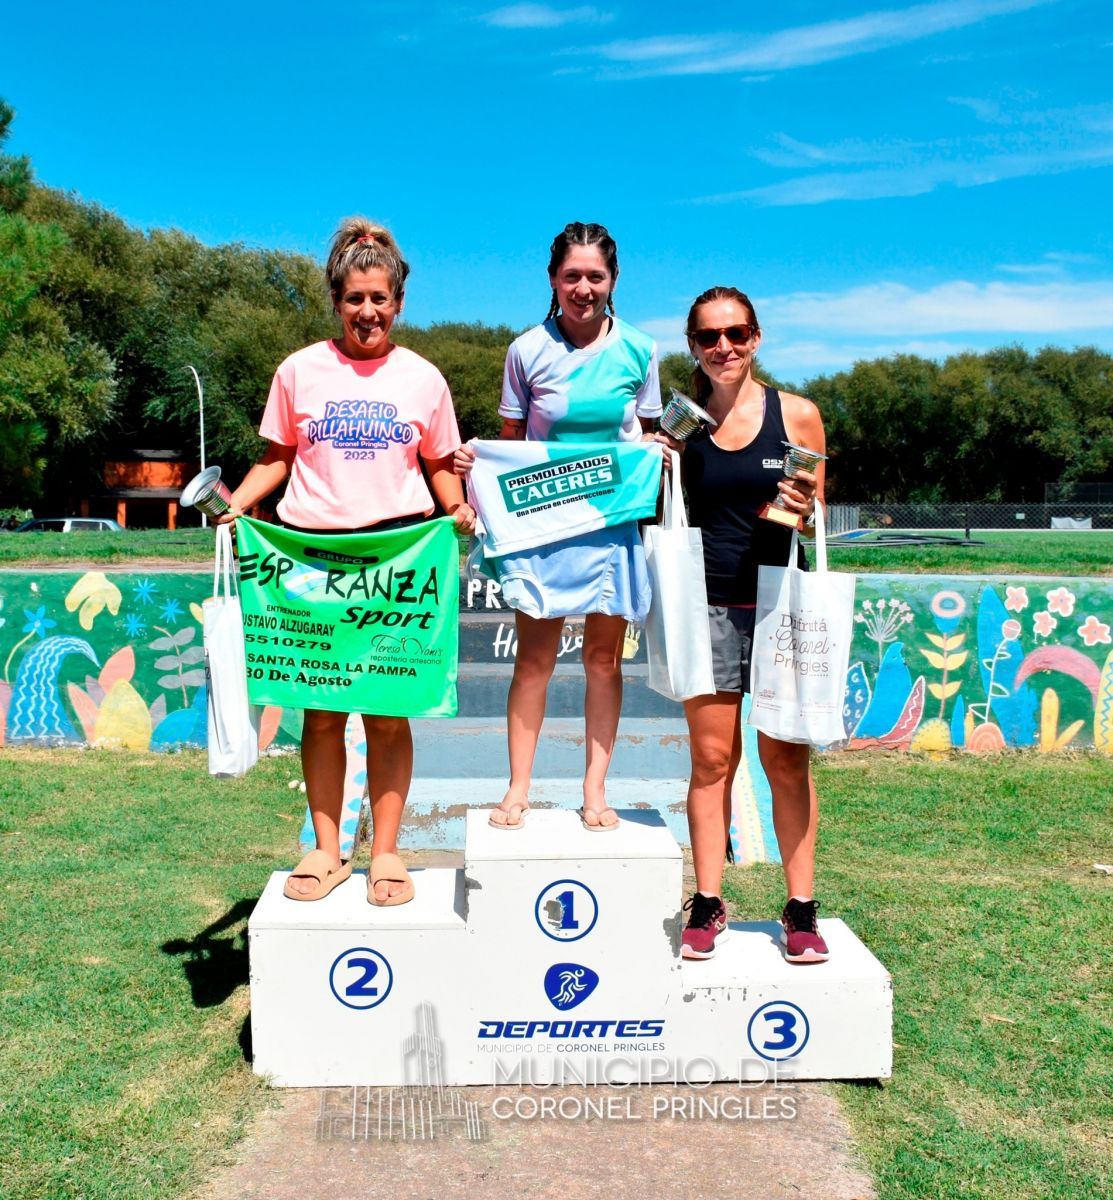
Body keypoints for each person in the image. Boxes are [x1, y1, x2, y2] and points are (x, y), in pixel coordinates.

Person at [221, 217, 475, 905]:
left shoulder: (424, 378)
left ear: (398, 303)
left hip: (397, 556)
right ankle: (326, 850)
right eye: (355, 298)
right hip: (309, 559)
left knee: (389, 714)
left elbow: (438, 464)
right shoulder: (298, 370)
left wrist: (456, 507)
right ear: (336, 300)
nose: (368, 311)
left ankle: (386, 855)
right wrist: (238, 505)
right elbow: (276, 458)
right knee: (322, 714)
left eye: (379, 299)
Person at [454, 222, 662, 831]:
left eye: (595, 276)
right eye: (572, 276)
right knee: (535, 664)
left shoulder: (641, 350)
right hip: (541, 531)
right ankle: (517, 788)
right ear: (553, 279)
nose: (583, 288)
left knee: (604, 662)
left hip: (612, 527)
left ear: (613, 280)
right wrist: (476, 472)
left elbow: (648, 436)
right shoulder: (525, 351)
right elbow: (510, 448)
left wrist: (660, 452)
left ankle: (595, 791)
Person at [657, 285, 830, 963]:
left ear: (756, 338)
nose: (722, 347)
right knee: (710, 760)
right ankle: (705, 902)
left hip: (781, 604)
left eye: (735, 333)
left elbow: (816, 517)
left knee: (784, 759)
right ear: (692, 345)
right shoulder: (678, 424)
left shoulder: (797, 415)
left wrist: (802, 505)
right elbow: (649, 502)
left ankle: (801, 908)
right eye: (707, 337)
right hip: (705, 607)